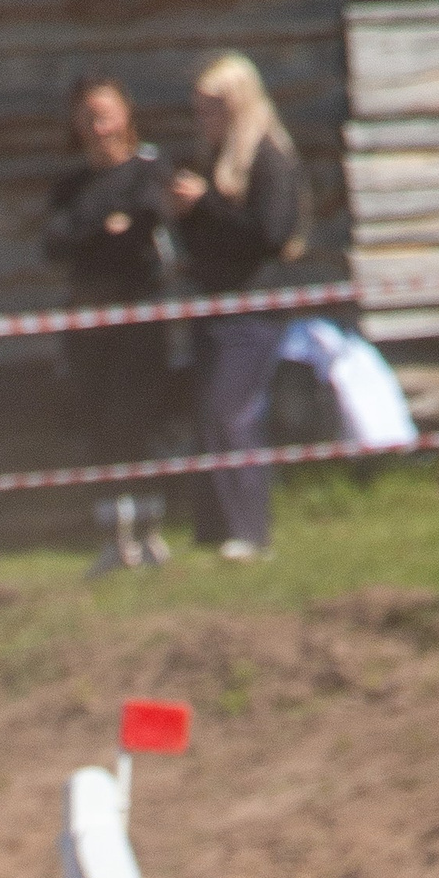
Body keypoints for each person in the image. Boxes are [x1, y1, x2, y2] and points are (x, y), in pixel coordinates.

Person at [165, 53, 303, 561]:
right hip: (213, 302)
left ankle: (250, 532)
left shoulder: (268, 156)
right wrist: (187, 212)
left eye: (214, 108)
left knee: (233, 413)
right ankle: (217, 529)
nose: (204, 120)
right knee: (209, 416)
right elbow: (207, 238)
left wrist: (206, 204)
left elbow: (271, 233)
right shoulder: (210, 159)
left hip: (254, 307)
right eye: (199, 109)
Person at [41, 75, 177, 567]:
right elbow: (56, 241)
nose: (96, 126)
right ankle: (111, 535)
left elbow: (144, 224)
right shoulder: (74, 184)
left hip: (140, 314)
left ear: (125, 114)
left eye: (105, 113)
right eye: (86, 116)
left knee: (140, 416)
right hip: (88, 316)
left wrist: (102, 229)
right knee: (97, 419)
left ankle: (150, 528)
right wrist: (100, 223)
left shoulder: (148, 168)